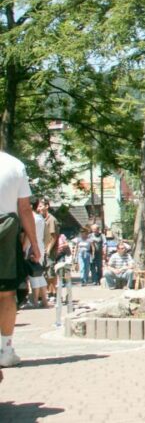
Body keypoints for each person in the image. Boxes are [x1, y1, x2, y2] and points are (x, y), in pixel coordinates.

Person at [0, 150, 41, 368]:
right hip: (5, 233)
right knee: (6, 294)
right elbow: (25, 209)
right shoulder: (15, 165)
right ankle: (6, 350)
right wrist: (34, 244)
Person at [25, 197, 48, 308]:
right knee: (39, 274)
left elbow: (28, 235)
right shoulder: (40, 218)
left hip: (32, 248)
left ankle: (34, 301)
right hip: (40, 246)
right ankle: (44, 300)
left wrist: (24, 249)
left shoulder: (31, 218)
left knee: (33, 274)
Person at [37, 198, 59, 300]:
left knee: (50, 272)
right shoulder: (41, 219)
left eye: (41, 206)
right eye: (38, 206)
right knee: (44, 273)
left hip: (49, 250)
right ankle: (46, 293)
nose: (39, 209)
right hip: (42, 249)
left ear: (47, 206)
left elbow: (54, 236)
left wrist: (49, 249)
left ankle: (53, 293)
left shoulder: (51, 219)